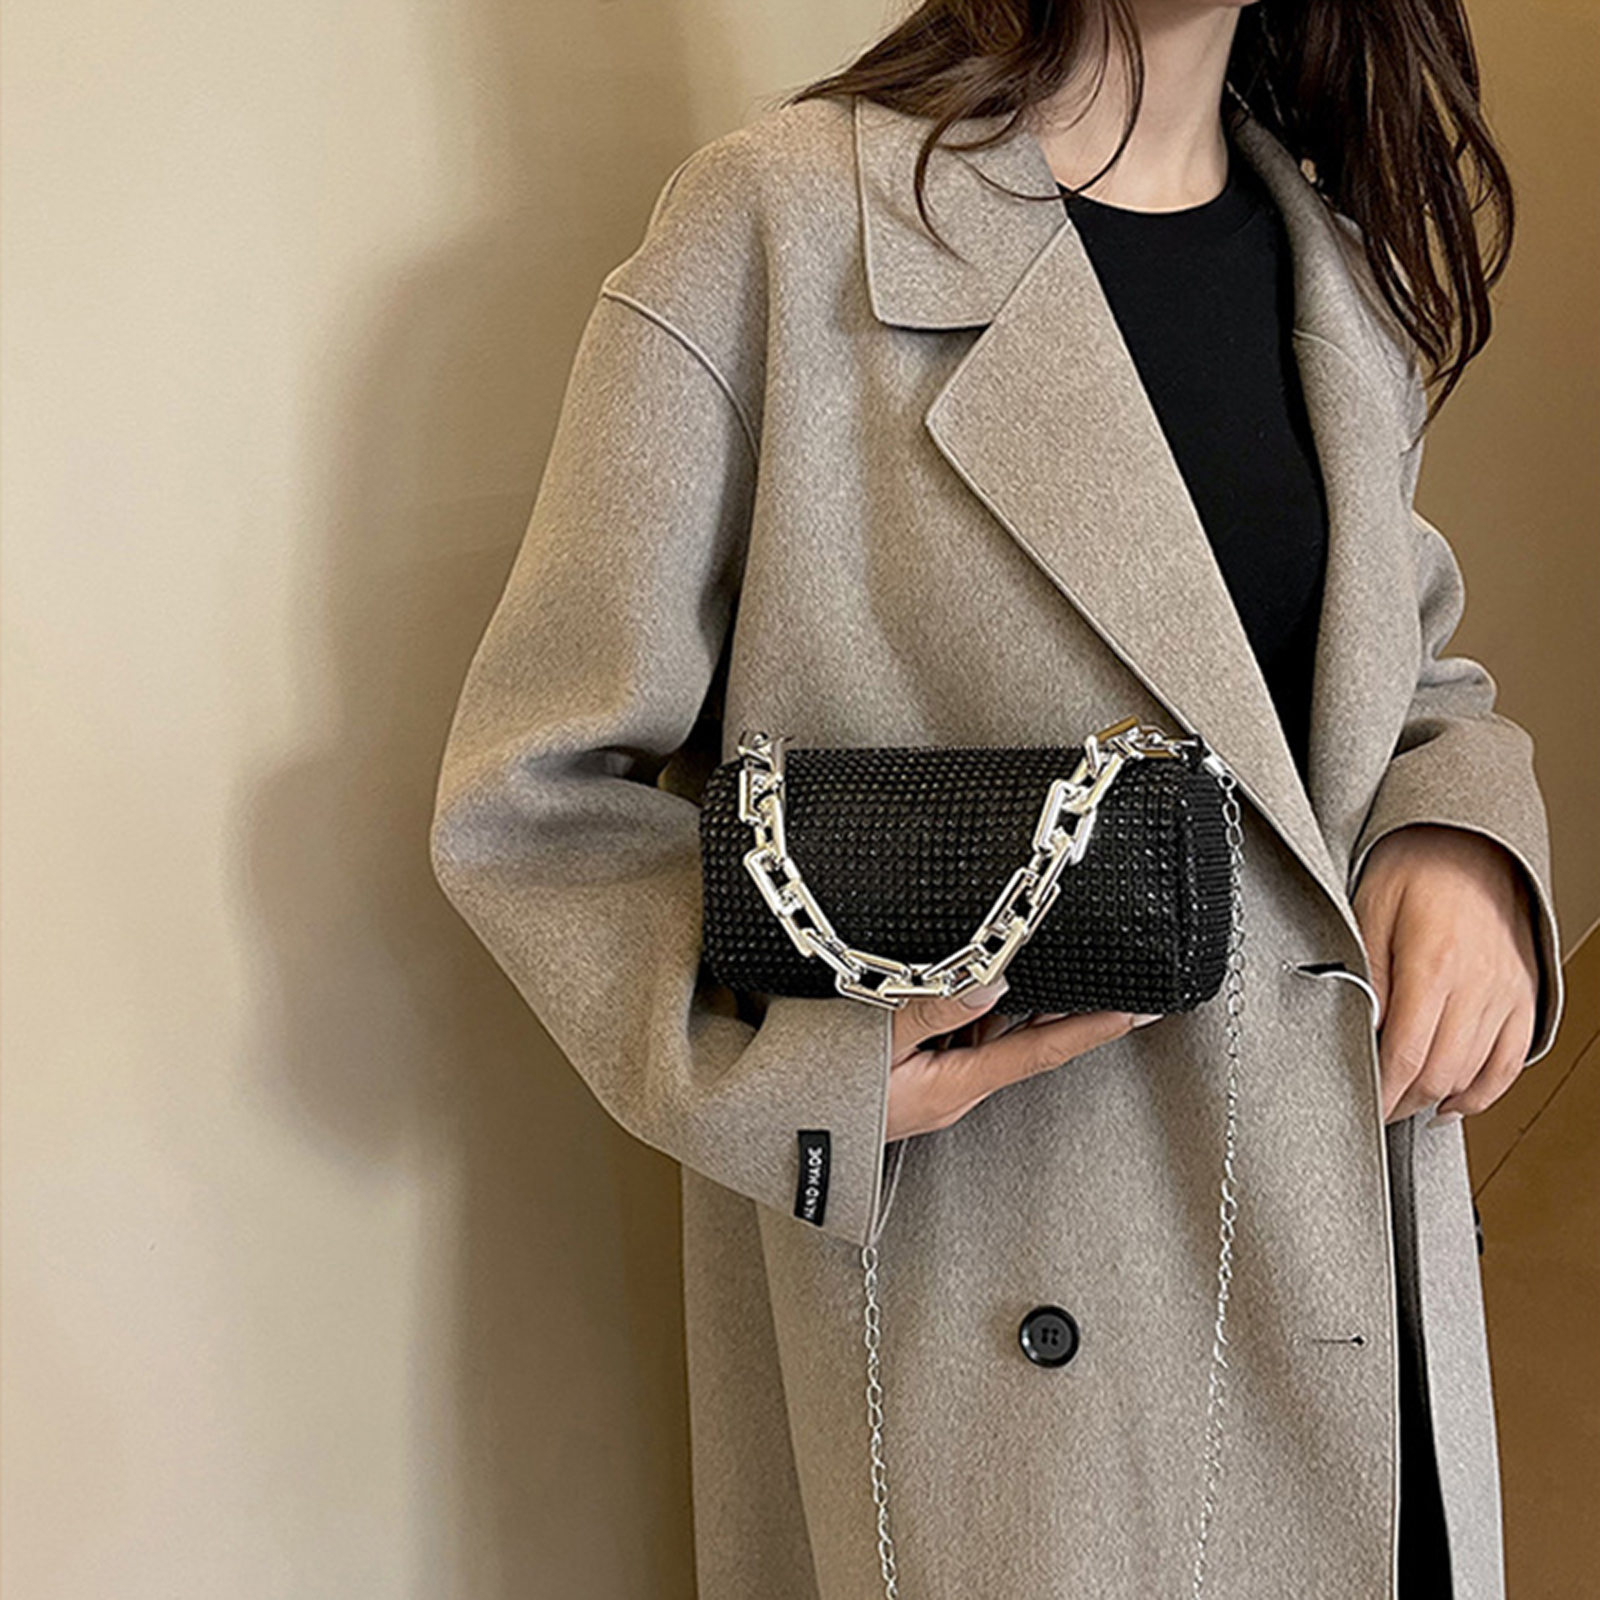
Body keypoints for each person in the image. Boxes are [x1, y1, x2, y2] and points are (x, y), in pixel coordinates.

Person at [429, 2, 1565, 1595]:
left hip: (1359, 1294)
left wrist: (1463, 838)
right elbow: (531, 800)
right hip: (1014, 1359)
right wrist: (805, 1077)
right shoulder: (786, 228)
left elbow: (1400, 676)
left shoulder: (1340, 271)